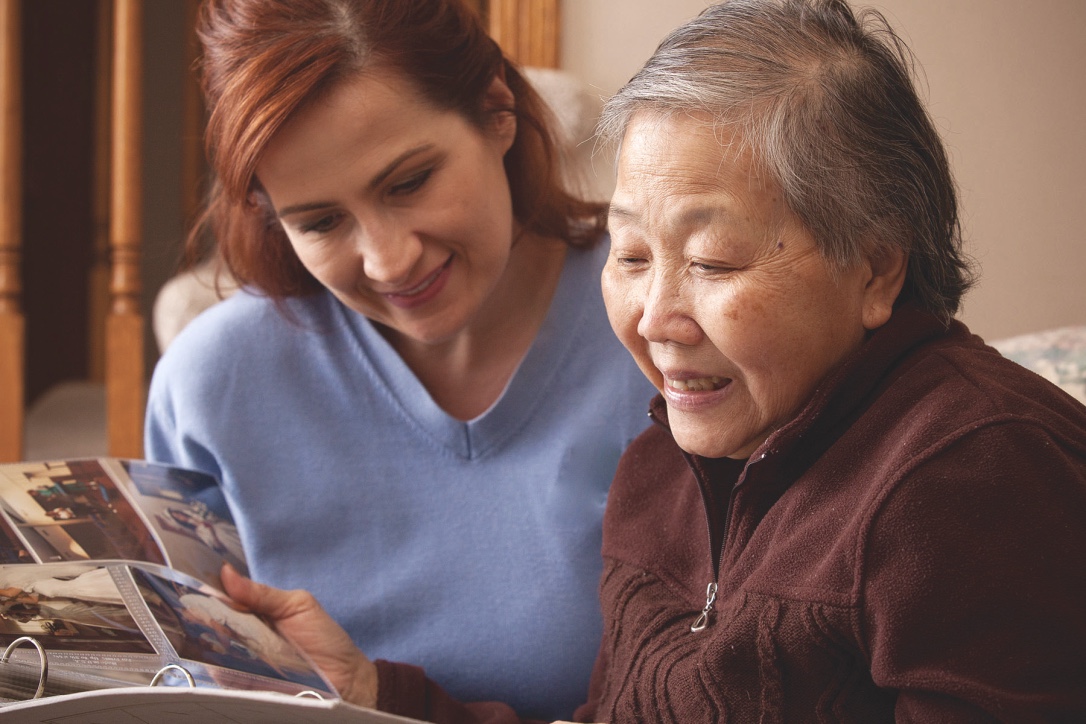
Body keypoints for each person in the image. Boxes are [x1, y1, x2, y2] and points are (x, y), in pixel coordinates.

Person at [222, 0, 1086, 721]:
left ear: (876, 267)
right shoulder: (663, 470)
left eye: (712, 263)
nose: (653, 319)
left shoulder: (973, 474)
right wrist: (373, 693)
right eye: (630, 256)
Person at [143, 0, 655, 719]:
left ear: (496, 111)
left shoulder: (664, 323)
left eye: (409, 182)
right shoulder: (212, 385)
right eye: (320, 221)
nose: (389, 261)